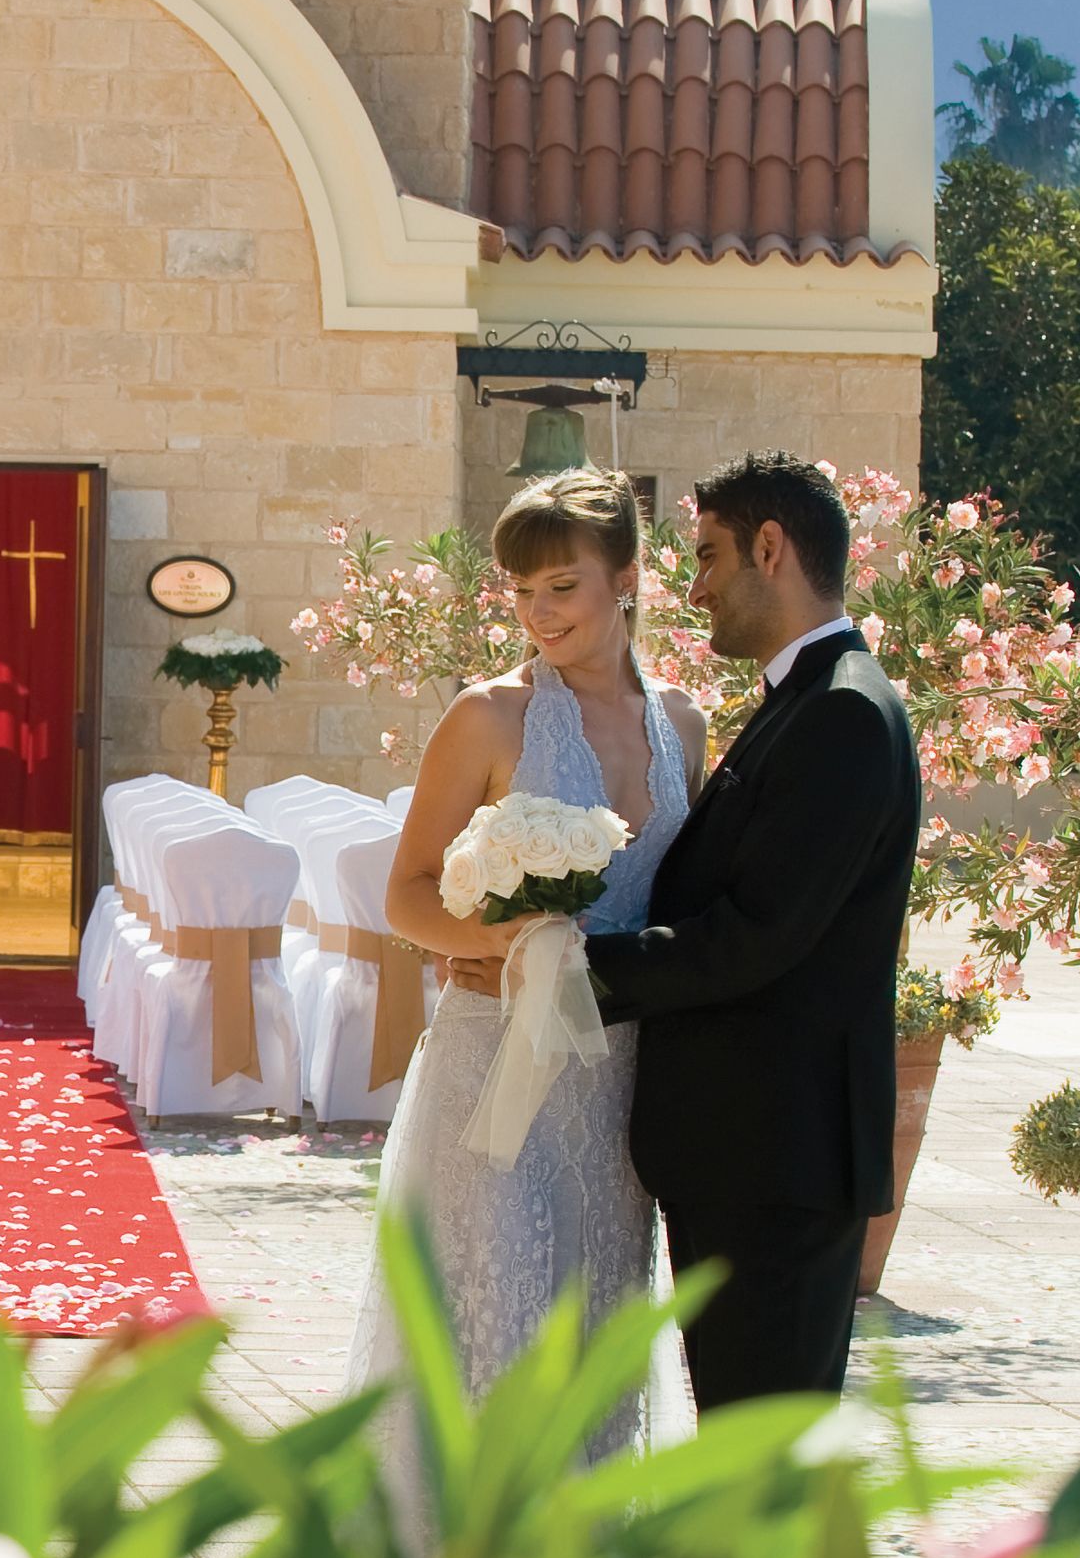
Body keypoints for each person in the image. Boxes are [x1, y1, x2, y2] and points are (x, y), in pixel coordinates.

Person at [347, 469, 704, 1451]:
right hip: (492, 1068)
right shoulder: (488, 715)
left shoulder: (683, 723)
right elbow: (406, 894)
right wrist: (506, 938)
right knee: (494, 1321)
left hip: (618, 1085)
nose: (536, 612)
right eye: (518, 589)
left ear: (625, 577)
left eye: (560, 585)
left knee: (591, 1334)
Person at [586, 454, 920, 1412]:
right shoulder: (808, 699)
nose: (691, 590)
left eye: (705, 557)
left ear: (768, 549)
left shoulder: (842, 712)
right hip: (749, 1152)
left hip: (776, 1158)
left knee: (756, 1452)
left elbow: (754, 935)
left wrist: (567, 968)